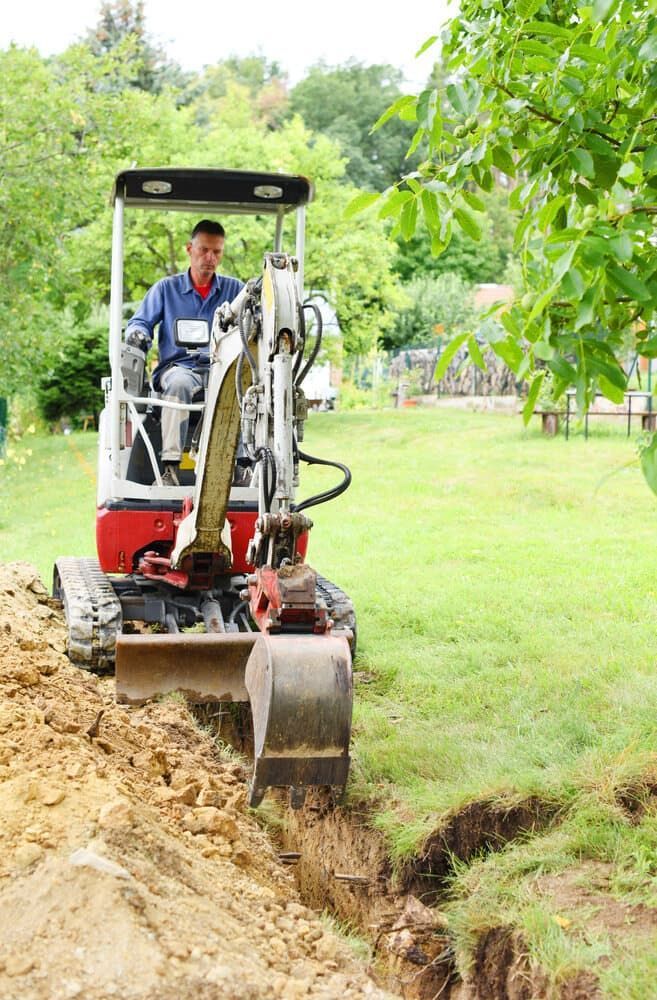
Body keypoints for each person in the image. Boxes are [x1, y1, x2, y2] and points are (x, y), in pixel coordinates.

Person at [125, 220, 244, 485]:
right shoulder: (166, 289)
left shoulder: (234, 290)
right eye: (203, 250)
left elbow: (255, 317)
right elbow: (139, 322)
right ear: (189, 249)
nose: (210, 258)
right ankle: (170, 468)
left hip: (219, 369)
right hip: (178, 368)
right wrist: (138, 334)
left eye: (217, 252)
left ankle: (240, 465)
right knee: (179, 383)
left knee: (243, 384)